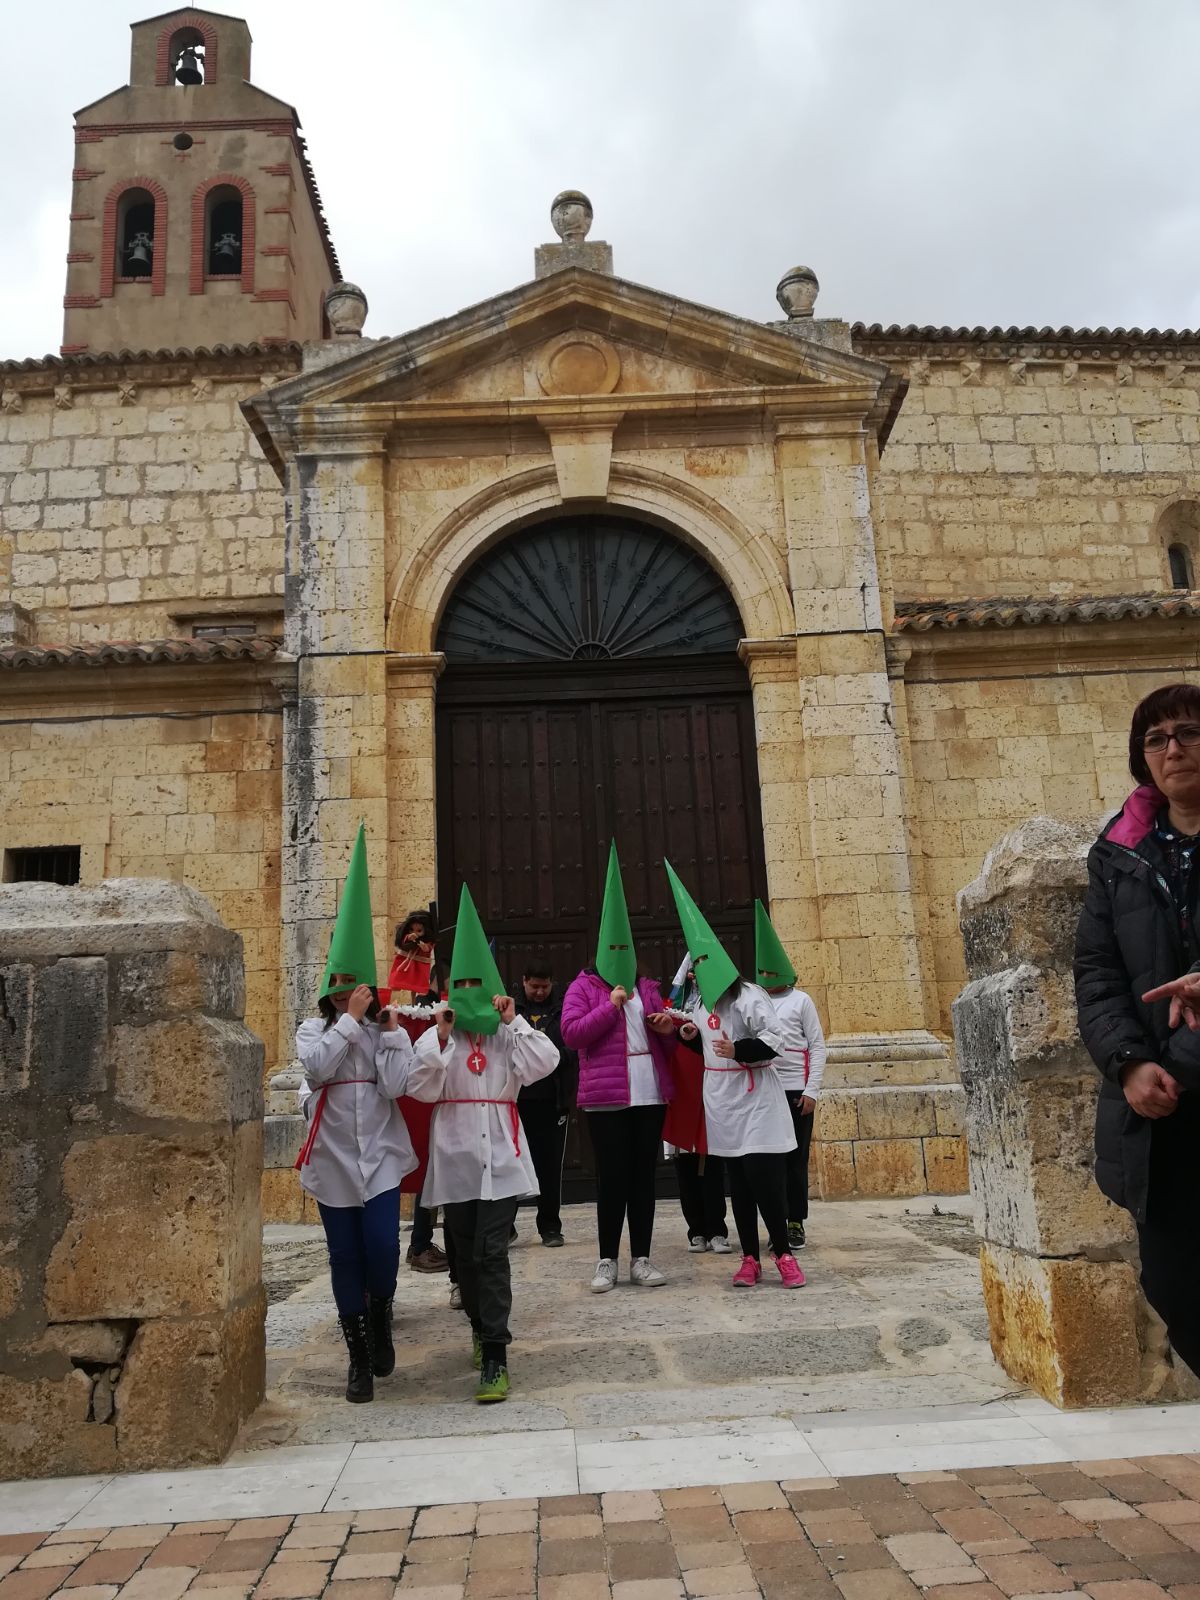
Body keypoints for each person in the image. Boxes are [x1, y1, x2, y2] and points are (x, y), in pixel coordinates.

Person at [1075, 682, 1200, 1378]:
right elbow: (1095, 971)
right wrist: (1128, 1063)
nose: (1173, 748)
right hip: (1157, 1110)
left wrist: (1178, 1061)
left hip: (1181, 1076)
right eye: (1157, 739)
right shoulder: (1120, 854)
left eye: (1188, 732)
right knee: (1174, 1284)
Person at [407, 885, 559, 1403]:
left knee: (493, 1251)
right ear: (447, 988)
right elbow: (421, 1087)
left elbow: (546, 1064)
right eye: (460, 984)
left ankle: (496, 1351)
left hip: (500, 1155)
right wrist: (443, 1037)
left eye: (478, 983)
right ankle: (476, 1324)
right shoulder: (438, 1036)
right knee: (463, 1255)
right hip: (454, 1160)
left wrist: (513, 1020)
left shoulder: (506, 1033)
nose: (468, 991)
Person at [294, 822, 418, 1403]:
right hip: (333, 1156)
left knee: (383, 1248)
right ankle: (358, 1356)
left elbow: (396, 1086)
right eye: (340, 990)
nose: (350, 998)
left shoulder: (376, 1033)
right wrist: (348, 1020)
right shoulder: (314, 1029)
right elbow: (317, 1069)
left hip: (380, 1153)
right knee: (343, 1253)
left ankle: (384, 1311)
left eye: (356, 990)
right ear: (330, 991)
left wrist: (390, 1032)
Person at [665, 861, 805, 1290]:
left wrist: (739, 1049)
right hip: (723, 1100)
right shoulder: (703, 1004)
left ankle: (780, 1250)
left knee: (766, 1179)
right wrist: (687, 1033)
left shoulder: (749, 997)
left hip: (756, 1101)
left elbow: (777, 1040)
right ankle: (748, 1257)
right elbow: (705, 1043)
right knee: (738, 1183)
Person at [561, 842, 676, 1293]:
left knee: (643, 1177)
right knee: (612, 1178)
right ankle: (607, 1258)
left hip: (648, 1092)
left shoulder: (647, 987)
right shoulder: (584, 987)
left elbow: (664, 1022)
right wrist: (610, 1007)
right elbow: (572, 1034)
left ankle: (642, 1258)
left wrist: (666, 1025)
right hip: (607, 1098)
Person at [754, 901, 827, 1251]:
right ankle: (775, 1222)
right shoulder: (755, 1000)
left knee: (796, 1161)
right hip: (766, 1091)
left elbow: (817, 1046)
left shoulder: (802, 1001)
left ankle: (795, 1220)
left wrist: (812, 1090)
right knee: (772, 1162)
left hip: (796, 1090)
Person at [664, 956, 730, 1252]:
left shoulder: (721, 1004)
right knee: (686, 1167)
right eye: (691, 973)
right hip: (682, 1094)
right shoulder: (674, 1004)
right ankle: (696, 1231)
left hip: (712, 1091)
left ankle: (717, 1229)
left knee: (712, 1164)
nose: (693, 978)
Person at [514, 960, 577, 1246]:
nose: (539, 992)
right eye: (534, 986)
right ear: (524, 981)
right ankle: (505, 1227)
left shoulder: (562, 1011)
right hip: (517, 1101)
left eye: (545, 986)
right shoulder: (512, 1012)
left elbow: (574, 1047)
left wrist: (552, 1060)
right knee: (513, 1165)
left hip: (553, 1100)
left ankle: (550, 1226)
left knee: (549, 1166)